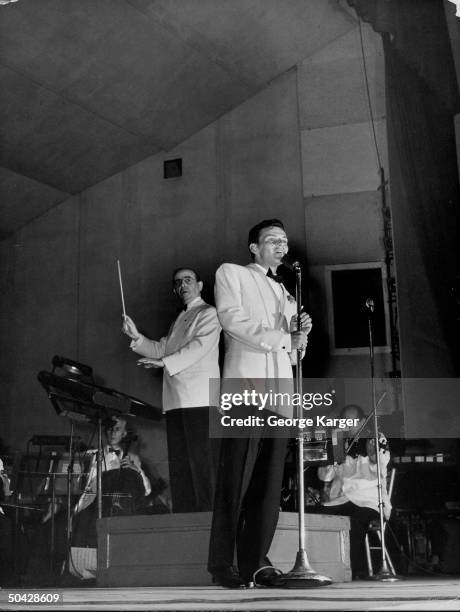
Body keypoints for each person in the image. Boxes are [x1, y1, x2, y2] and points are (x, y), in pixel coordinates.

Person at [207, 219, 312, 588]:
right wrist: (285, 340)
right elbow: (233, 322)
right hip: (245, 389)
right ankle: (224, 564)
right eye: (272, 240)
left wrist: (300, 337)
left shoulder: (287, 294)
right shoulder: (232, 273)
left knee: (269, 483)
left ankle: (256, 562)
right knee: (236, 477)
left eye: (284, 241)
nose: (281, 246)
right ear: (254, 247)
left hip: (280, 395)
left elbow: (293, 356)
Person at [122, 267, 221, 512]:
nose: (183, 285)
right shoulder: (179, 319)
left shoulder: (209, 313)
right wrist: (137, 337)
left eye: (188, 280)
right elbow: (162, 349)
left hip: (201, 401)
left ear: (199, 285)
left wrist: (164, 362)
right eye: (178, 282)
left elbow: (198, 347)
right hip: (176, 403)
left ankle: (207, 526)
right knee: (181, 470)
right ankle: (185, 525)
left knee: (203, 470)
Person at [317, 432, 391, 579]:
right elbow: (324, 476)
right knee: (317, 517)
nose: (350, 426)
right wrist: (332, 455)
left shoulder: (375, 438)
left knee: (355, 521)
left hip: (369, 503)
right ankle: (323, 566)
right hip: (341, 500)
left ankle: (352, 569)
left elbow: (380, 466)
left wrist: (372, 452)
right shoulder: (339, 442)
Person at [72, 416, 151, 547]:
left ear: (124, 434)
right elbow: (88, 488)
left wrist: (137, 470)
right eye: (110, 429)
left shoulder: (133, 458)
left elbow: (147, 490)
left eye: (117, 429)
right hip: (97, 508)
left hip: (124, 511)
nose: (113, 433)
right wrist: (77, 510)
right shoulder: (94, 455)